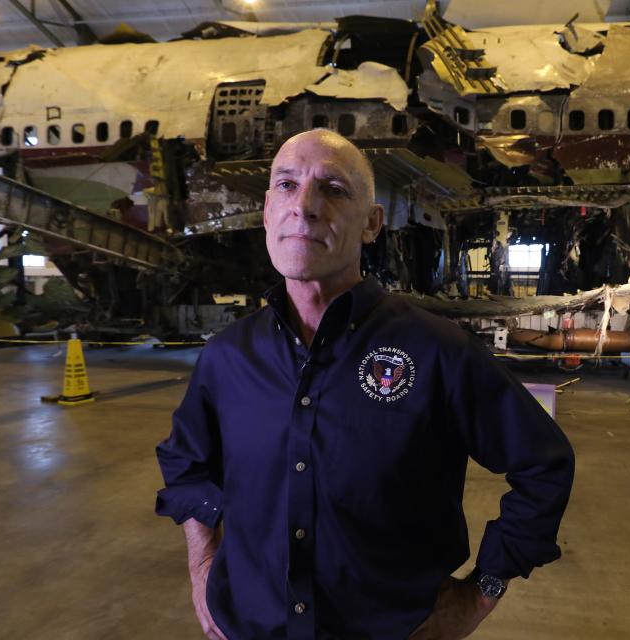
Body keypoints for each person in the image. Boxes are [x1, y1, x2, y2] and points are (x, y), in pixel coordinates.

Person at [155, 129, 575, 640]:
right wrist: (202, 569)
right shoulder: (227, 358)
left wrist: (480, 592)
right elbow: (186, 464)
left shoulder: (437, 350)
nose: (303, 206)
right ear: (266, 212)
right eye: (286, 185)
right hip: (251, 626)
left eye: (332, 188)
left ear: (372, 224)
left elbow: (543, 465)